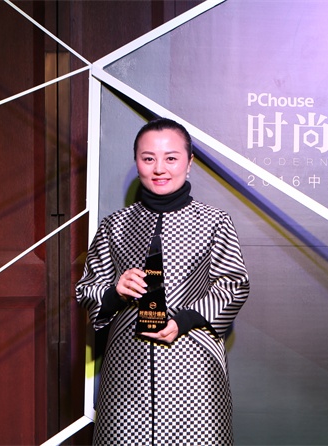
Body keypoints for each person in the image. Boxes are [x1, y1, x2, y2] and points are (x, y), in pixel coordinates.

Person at [76, 118, 250, 445]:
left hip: (195, 366)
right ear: (137, 161)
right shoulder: (114, 225)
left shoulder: (214, 222)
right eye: (148, 158)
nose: (159, 168)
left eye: (171, 158)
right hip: (128, 368)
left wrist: (184, 321)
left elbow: (233, 284)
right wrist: (115, 292)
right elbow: (86, 289)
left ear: (189, 162)